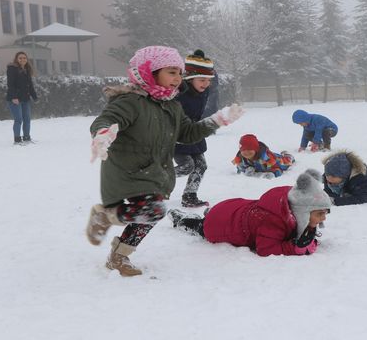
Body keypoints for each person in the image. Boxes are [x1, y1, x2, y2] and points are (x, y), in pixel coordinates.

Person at [85, 45, 243, 277]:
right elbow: (108, 119)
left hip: (154, 172)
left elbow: (187, 133)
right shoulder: (130, 101)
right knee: (153, 211)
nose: (178, 78)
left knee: (151, 214)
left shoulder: (172, 105)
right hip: (127, 170)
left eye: (179, 73)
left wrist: (217, 120)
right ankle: (105, 217)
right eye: (171, 72)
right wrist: (103, 133)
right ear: (149, 71)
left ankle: (118, 257)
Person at [169, 169, 332, 257]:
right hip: (221, 225)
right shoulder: (273, 221)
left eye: (325, 213)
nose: (323, 218)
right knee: (202, 226)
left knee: (215, 214)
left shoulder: (292, 202)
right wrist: (292, 248)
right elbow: (266, 249)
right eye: (320, 214)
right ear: (303, 212)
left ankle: (210, 213)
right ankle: (181, 219)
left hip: (233, 208)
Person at [174, 50, 216, 208]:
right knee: (186, 166)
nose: (206, 84)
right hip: (178, 135)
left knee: (201, 165)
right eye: (202, 79)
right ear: (190, 78)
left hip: (195, 132)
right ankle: (157, 180)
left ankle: (189, 195)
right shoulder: (178, 92)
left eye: (208, 80)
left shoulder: (204, 91)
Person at [6, 51, 37, 145]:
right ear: (16, 59)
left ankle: (27, 137)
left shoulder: (26, 69)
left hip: (25, 99)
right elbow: (10, 84)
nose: (22, 59)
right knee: (18, 119)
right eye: (20, 58)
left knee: (27, 119)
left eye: (24, 58)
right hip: (15, 99)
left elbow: (30, 85)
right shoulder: (12, 69)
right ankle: (17, 139)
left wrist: (34, 96)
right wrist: (14, 97)